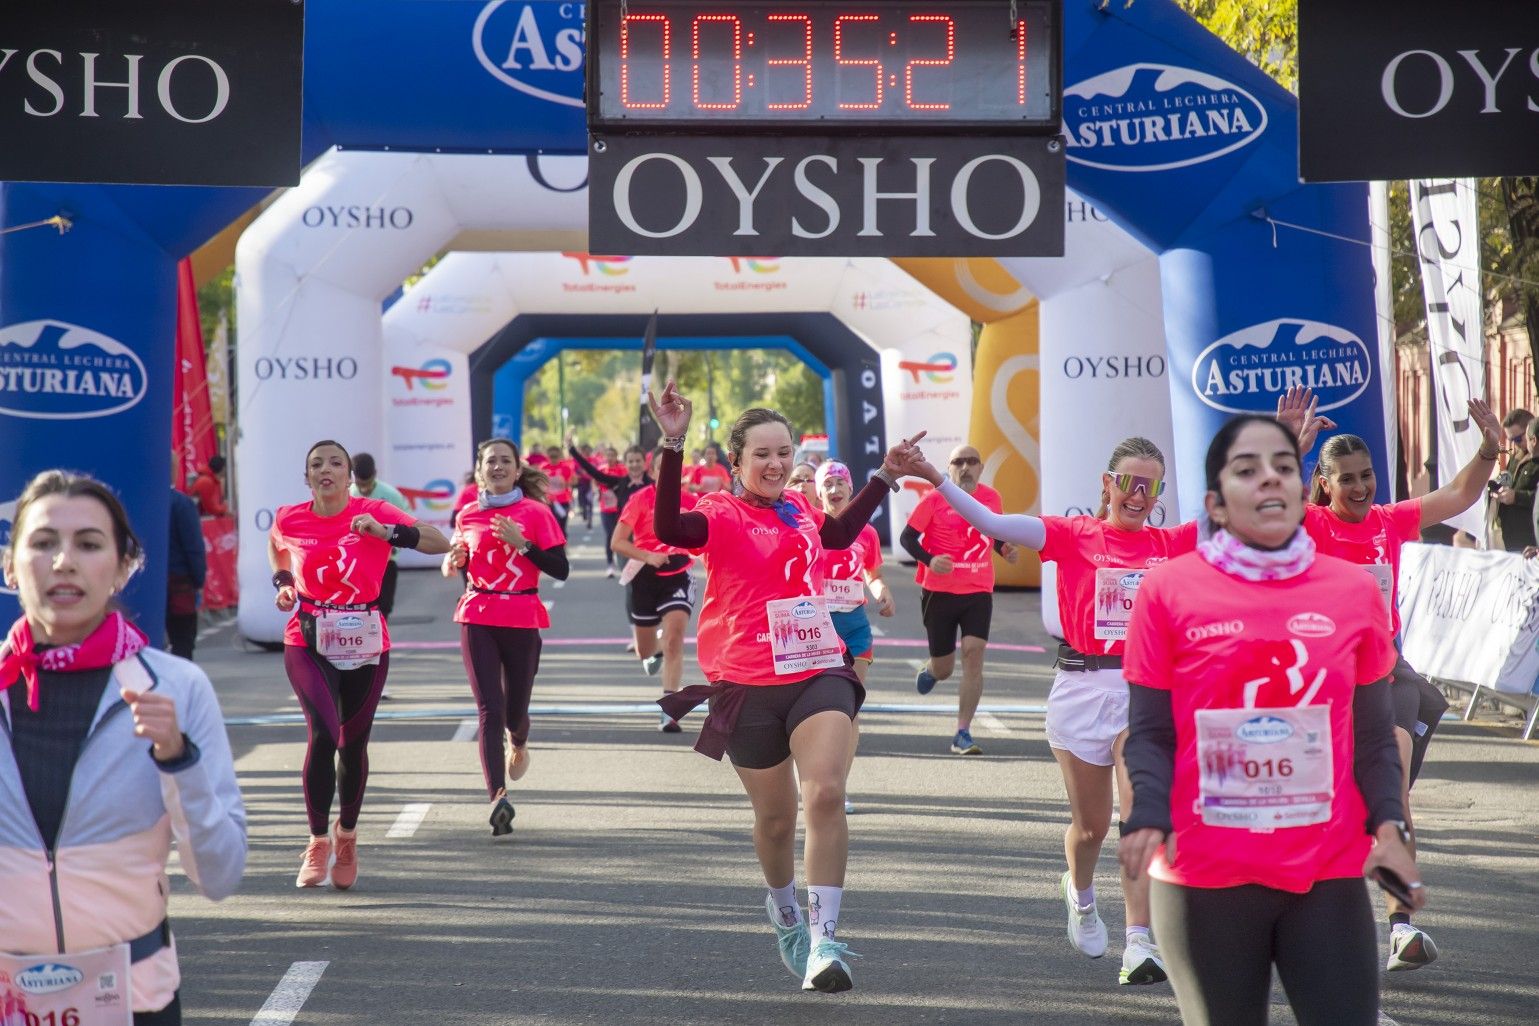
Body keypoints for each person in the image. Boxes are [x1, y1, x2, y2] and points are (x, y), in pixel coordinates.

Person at [1118, 414, 1422, 1026]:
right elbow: (1150, 731)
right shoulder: (1168, 591)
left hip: (1326, 869)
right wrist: (1148, 810)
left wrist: (1389, 820)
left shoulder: (1352, 591)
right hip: (1205, 873)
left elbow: (1371, 738)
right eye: (1247, 471)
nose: (1269, 483)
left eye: (1283, 468)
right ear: (1215, 501)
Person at [649, 379, 925, 993]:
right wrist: (672, 441)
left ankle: (826, 938)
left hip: (816, 666)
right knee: (776, 822)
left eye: (784, 453)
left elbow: (835, 535)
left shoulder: (800, 509)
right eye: (762, 455)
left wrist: (883, 476)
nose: (776, 465)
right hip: (744, 683)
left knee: (825, 793)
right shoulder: (719, 513)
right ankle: (785, 911)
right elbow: (668, 525)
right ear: (738, 462)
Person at [909, 436, 1194, 985]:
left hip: (1145, 691)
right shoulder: (1072, 534)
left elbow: (1246, 521)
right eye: (1128, 483)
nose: (1137, 495)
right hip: (1081, 689)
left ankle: (1139, 940)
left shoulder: (1171, 542)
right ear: (1107, 484)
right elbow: (993, 524)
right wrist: (934, 476)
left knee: (1140, 816)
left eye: (1149, 486)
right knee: (1089, 829)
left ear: (1158, 493)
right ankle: (1081, 894)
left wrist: (1289, 451)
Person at [0, 470, 246, 1025]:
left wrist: (180, 763)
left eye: (88, 544)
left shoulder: (176, 688)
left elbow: (221, 875)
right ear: (11, 567)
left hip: (136, 1000)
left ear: (121, 568)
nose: (64, 561)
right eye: (42, 543)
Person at [1279, 387, 1502, 971]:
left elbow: (1457, 495)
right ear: (1324, 484)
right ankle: (1310, 917)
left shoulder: (1387, 522)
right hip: (1323, 684)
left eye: (1367, 475)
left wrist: (1488, 449)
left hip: (1384, 674)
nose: (1359, 487)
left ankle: (1401, 927)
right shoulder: (1310, 525)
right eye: (1346, 478)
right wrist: (1289, 449)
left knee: (1391, 792)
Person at [269, 439, 449, 889]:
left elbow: (439, 542)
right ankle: (316, 841)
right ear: (306, 475)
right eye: (316, 464)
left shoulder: (376, 511)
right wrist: (285, 583)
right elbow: (277, 547)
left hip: (366, 637)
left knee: (352, 743)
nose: (325, 469)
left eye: (335, 463)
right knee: (324, 733)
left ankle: (346, 835)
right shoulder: (290, 517)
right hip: (308, 635)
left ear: (350, 475)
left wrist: (387, 534)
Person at [444, 439, 569, 835]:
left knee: (514, 712)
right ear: (480, 471)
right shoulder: (466, 515)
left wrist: (523, 544)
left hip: (521, 615)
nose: (497, 467)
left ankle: (519, 740)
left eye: (504, 461)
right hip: (477, 614)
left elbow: (561, 569)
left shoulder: (536, 513)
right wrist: (454, 561)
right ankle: (498, 796)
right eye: (490, 462)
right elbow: (461, 562)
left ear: (517, 470)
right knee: (489, 710)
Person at [901, 444, 1019, 755]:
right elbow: (907, 538)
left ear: (980, 468)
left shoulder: (991, 498)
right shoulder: (934, 500)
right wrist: (929, 559)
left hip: (978, 588)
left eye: (971, 462)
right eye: (958, 462)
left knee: (973, 652)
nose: (965, 467)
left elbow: (992, 532)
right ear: (949, 468)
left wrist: (1004, 548)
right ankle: (932, 671)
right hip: (939, 591)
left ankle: (962, 732)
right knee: (945, 668)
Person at [815, 460, 894, 816]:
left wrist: (881, 591)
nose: (834, 489)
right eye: (827, 484)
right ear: (819, 492)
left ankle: (839, 787)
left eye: (840, 483)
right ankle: (815, 778)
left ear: (850, 488)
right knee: (818, 708)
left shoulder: (867, 532)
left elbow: (872, 574)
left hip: (855, 625)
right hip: (816, 626)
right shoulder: (810, 528)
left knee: (849, 708)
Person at [611, 457, 699, 732]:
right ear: (654, 472)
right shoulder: (640, 499)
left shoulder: (692, 501)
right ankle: (655, 649)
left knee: (674, 639)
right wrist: (648, 555)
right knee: (645, 651)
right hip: (644, 576)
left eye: (676, 467)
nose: (671, 472)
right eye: (664, 467)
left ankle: (670, 710)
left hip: (679, 574)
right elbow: (618, 542)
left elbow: (706, 540)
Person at [570, 438, 652, 578]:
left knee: (648, 581)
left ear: (645, 463)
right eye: (631, 461)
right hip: (626, 540)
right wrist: (573, 451)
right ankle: (611, 564)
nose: (634, 465)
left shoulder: (653, 485)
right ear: (625, 464)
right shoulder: (619, 484)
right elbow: (594, 473)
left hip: (648, 540)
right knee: (632, 583)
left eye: (638, 461)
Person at [350, 452, 412, 620]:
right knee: (357, 608)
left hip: (386, 561)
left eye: (368, 485)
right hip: (354, 563)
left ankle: (381, 644)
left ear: (375, 474)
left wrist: (395, 544)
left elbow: (408, 523)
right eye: (360, 485)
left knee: (383, 608)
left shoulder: (391, 495)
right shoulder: (346, 495)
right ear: (352, 476)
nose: (364, 490)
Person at [166, 486, 207, 660]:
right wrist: (199, 580)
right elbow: (193, 546)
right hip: (179, 583)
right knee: (182, 642)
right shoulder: (181, 503)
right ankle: (178, 685)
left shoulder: (140, 499)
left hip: (145, 583)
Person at [1495, 417, 1539, 553]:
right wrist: (1496, 486)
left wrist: (1517, 497)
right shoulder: (1516, 457)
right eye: (1511, 440)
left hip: (1529, 540)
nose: (1515, 444)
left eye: (1518, 439)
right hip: (1510, 537)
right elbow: (1507, 479)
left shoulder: (1535, 459)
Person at [543, 445, 575, 536]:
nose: (553, 459)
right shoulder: (544, 468)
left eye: (555, 457)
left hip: (563, 502)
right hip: (548, 502)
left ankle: (563, 545)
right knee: (551, 526)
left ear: (559, 456)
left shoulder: (565, 468)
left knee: (561, 526)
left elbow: (570, 483)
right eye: (551, 457)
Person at [575, 443, 596, 529]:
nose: (587, 453)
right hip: (582, 483)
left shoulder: (593, 461)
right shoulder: (579, 461)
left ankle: (590, 520)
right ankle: (583, 511)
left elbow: (596, 471)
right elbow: (575, 471)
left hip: (590, 484)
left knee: (590, 503)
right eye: (585, 451)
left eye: (588, 451)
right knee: (582, 500)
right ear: (582, 452)